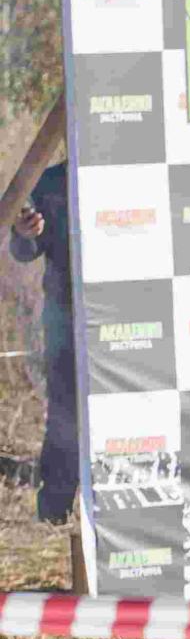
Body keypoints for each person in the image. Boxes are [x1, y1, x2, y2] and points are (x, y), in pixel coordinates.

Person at [9, 160, 77, 524]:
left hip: (132, 318)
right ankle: (55, 514)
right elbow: (22, 251)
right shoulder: (51, 181)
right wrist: (25, 232)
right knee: (66, 419)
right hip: (67, 319)